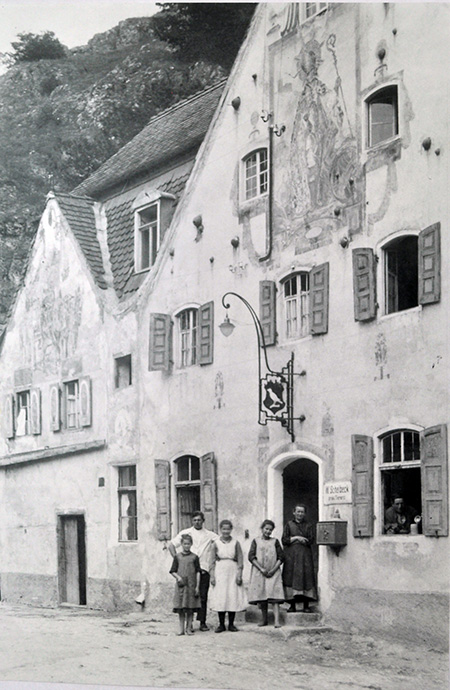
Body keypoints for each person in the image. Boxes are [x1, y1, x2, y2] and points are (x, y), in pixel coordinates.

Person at [168, 510, 218, 631]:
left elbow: (220, 543)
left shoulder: (210, 534)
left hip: (203, 569)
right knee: (187, 596)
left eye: (199, 520)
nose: (197, 522)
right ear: (192, 521)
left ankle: (202, 622)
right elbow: (171, 545)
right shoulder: (186, 532)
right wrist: (178, 560)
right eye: (195, 520)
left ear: (203, 521)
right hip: (188, 570)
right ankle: (188, 624)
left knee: (202, 595)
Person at [209, 519, 246, 632]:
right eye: (224, 529)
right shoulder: (216, 543)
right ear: (220, 530)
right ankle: (221, 624)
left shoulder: (236, 543)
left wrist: (239, 574)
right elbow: (211, 561)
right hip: (220, 571)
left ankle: (231, 624)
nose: (226, 531)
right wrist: (212, 576)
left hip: (232, 570)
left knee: (232, 596)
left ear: (231, 529)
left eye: (228, 529)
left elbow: (240, 559)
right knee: (221, 596)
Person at [248, 519, 284, 628]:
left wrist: (273, 570)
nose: (268, 531)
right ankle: (264, 619)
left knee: (275, 597)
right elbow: (251, 556)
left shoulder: (275, 541)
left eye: (270, 530)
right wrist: (261, 569)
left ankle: (277, 621)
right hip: (260, 572)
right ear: (262, 529)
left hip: (274, 572)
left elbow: (281, 557)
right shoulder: (256, 541)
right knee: (262, 596)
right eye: (266, 529)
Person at [282, 504, 318, 612]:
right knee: (291, 577)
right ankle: (292, 605)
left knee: (306, 578)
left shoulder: (309, 525)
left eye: (302, 512)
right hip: (291, 556)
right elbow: (284, 539)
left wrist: (304, 540)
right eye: (298, 512)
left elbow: (311, 539)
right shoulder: (289, 525)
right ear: (294, 512)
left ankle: (306, 605)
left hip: (305, 556)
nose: (300, 514)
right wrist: (296, 538)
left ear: (304, 513)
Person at [169, 533, 200, 636]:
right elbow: (173, 571)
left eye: (188, 544)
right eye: (185, 544)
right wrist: (178, 578)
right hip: (181, 585)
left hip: (191, 585)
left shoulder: (194, 557)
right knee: (181, 608)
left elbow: (198, 572)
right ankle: (181, 629)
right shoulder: (177, 557)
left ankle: (189, 628)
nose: (186, 546)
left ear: (191, 544)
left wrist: (197, 586)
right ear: (181, 544)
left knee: (190, 608)